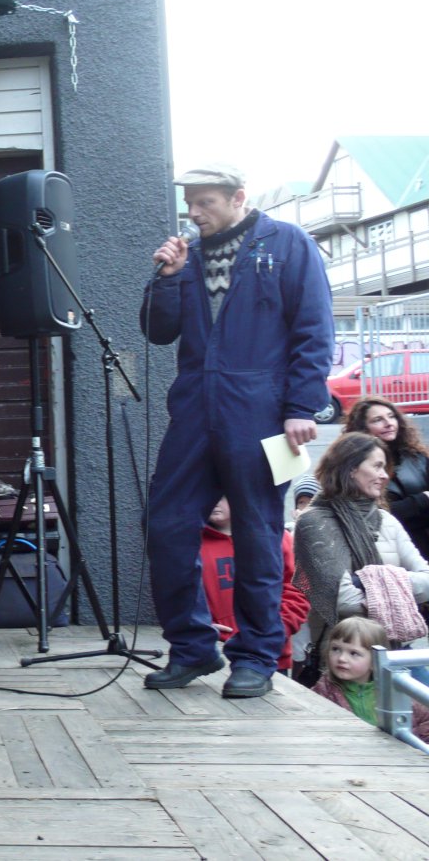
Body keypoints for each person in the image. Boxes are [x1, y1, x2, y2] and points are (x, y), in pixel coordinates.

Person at [140, 164, 333, 699]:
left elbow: (314, 327)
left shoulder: (287, 242)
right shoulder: (190, 255)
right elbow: (158, 331)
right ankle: (193, 648)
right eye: (190, 204)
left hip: (262, 411)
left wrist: (301, 406)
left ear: (238, 198)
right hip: (195, 410)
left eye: (205, 202)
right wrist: (169, 276)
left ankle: (256, 656)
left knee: (257, 532)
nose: (194, 213)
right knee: (167, 523)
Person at [294, 432, 429, 657]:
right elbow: (342, 600)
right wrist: (395, 584)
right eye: (377, 466)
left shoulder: (386, 520)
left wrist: (373, 581)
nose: (384, 475)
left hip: (393, 649)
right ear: (350, 468)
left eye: (385, 467)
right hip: (341, 657)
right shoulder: (314, 523)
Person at [198, 497, 309, 673]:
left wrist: (277, 629)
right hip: (214, 656)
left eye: (223, 494)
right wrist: (198, 626)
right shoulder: (192, 543)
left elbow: (300, 590)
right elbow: (180, 596)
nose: (215, 500)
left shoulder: (279, 537)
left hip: (270, 656)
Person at [310, 616, 429, 737]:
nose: (341, 658)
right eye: (336, 649)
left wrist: (409, 739)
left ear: (374, 662)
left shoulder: (393, 690)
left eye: (354, 653)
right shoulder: (322, 691)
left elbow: (426, 719)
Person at [343, 396, 429, 556]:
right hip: (390, 550)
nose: (389, 423)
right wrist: (422, 500)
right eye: (377, 420)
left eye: (391, 416)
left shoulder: (417, 456)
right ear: (363, 428)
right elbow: (371, 516)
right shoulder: (353, 467)